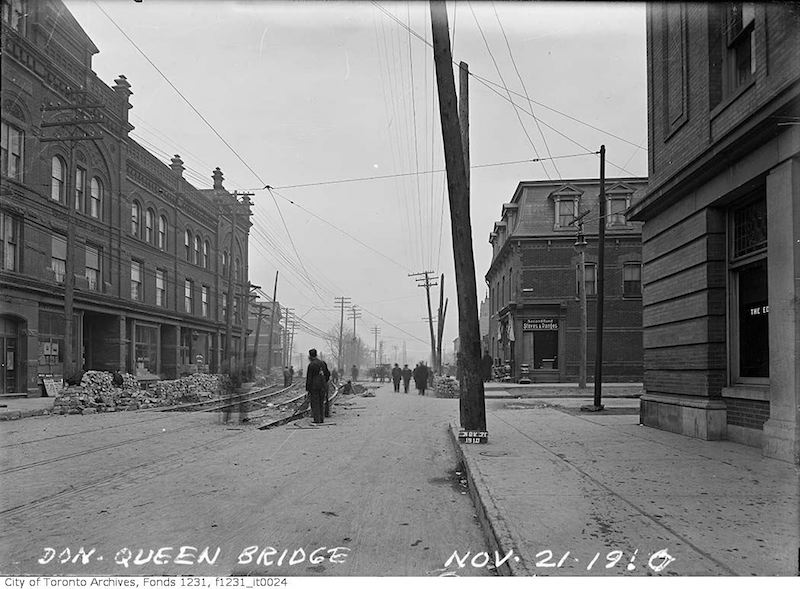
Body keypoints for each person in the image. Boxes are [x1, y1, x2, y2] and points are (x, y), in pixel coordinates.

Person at [305, 348, 330, 424]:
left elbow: (309, 378)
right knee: (321, 402)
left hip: (314, 387)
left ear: (310, 356)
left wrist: (308, 389)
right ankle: (321, 419)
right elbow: (328, 374)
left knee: (315, 403)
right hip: (322, 386)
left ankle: (317, 419)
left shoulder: (311, 365)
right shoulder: (323, 363)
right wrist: (324, 382)